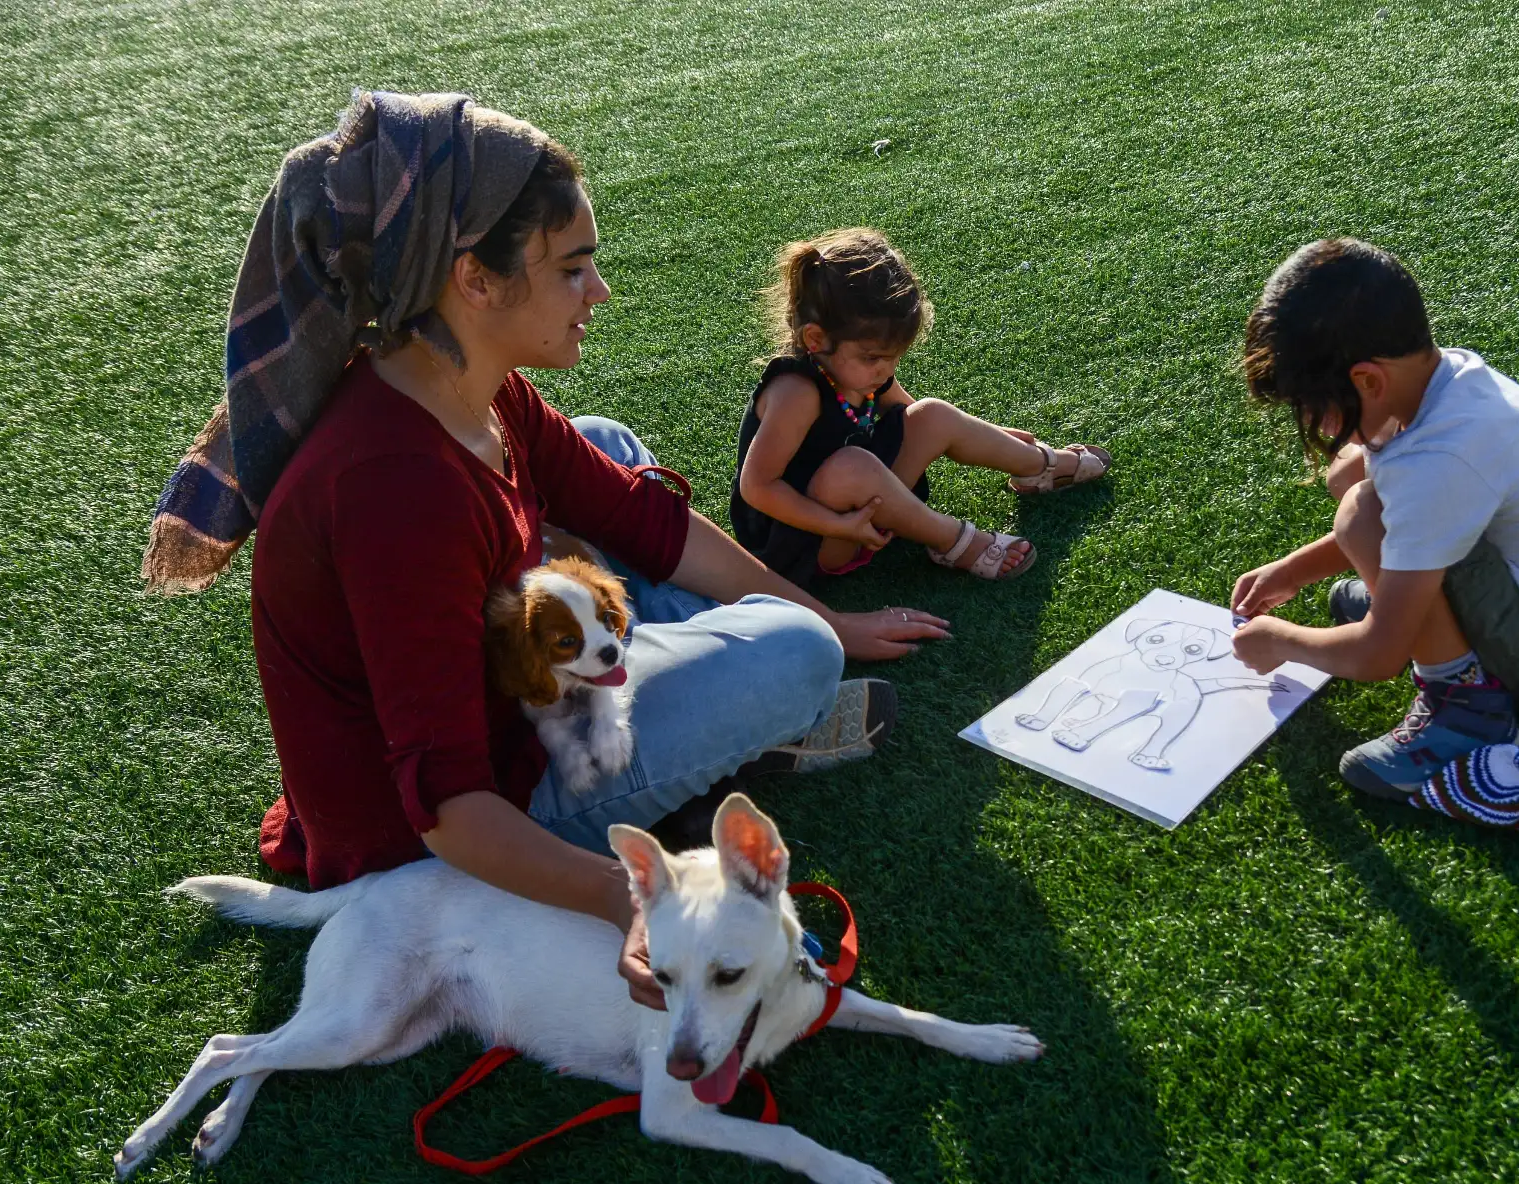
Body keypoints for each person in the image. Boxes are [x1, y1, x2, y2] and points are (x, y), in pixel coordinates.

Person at [140, 91, 947, 1006]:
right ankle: (739, 728)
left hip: (505, 686)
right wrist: (625, 897)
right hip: (450, 834)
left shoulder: (458, 384)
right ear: (474, 279)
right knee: (796, 657)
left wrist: (828, 610)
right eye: (572, 269)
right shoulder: (397, 490)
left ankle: (712, 710)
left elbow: (646, 519)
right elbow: (448, 809)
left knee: (605, 448)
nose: (597, 292)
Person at [1227, 238, 1519, 800]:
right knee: (1353, 475)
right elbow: (1417, 511)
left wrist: (1282, 641)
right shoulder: (1445, 383)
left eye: (1321, 410)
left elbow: (1378, 654)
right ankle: (1433, 616)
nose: (1319, 425)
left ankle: (1467, 709)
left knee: (1360, 512)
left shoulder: (1440, 461)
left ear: (1367, 381)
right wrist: (1293, 570)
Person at [730, 228, 1112, 586]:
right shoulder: (796, 392)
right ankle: (952, 541)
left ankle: (1037, 467)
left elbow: (918, 419)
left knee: (933, 413)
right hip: (806, 541)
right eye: (874, 357)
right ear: (815, 339)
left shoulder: (861, 372)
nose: (887, 369)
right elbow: (758, 487)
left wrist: (990, 437)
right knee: (851, 467)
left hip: (861, 504)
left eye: (895, 357)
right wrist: (836, 525)